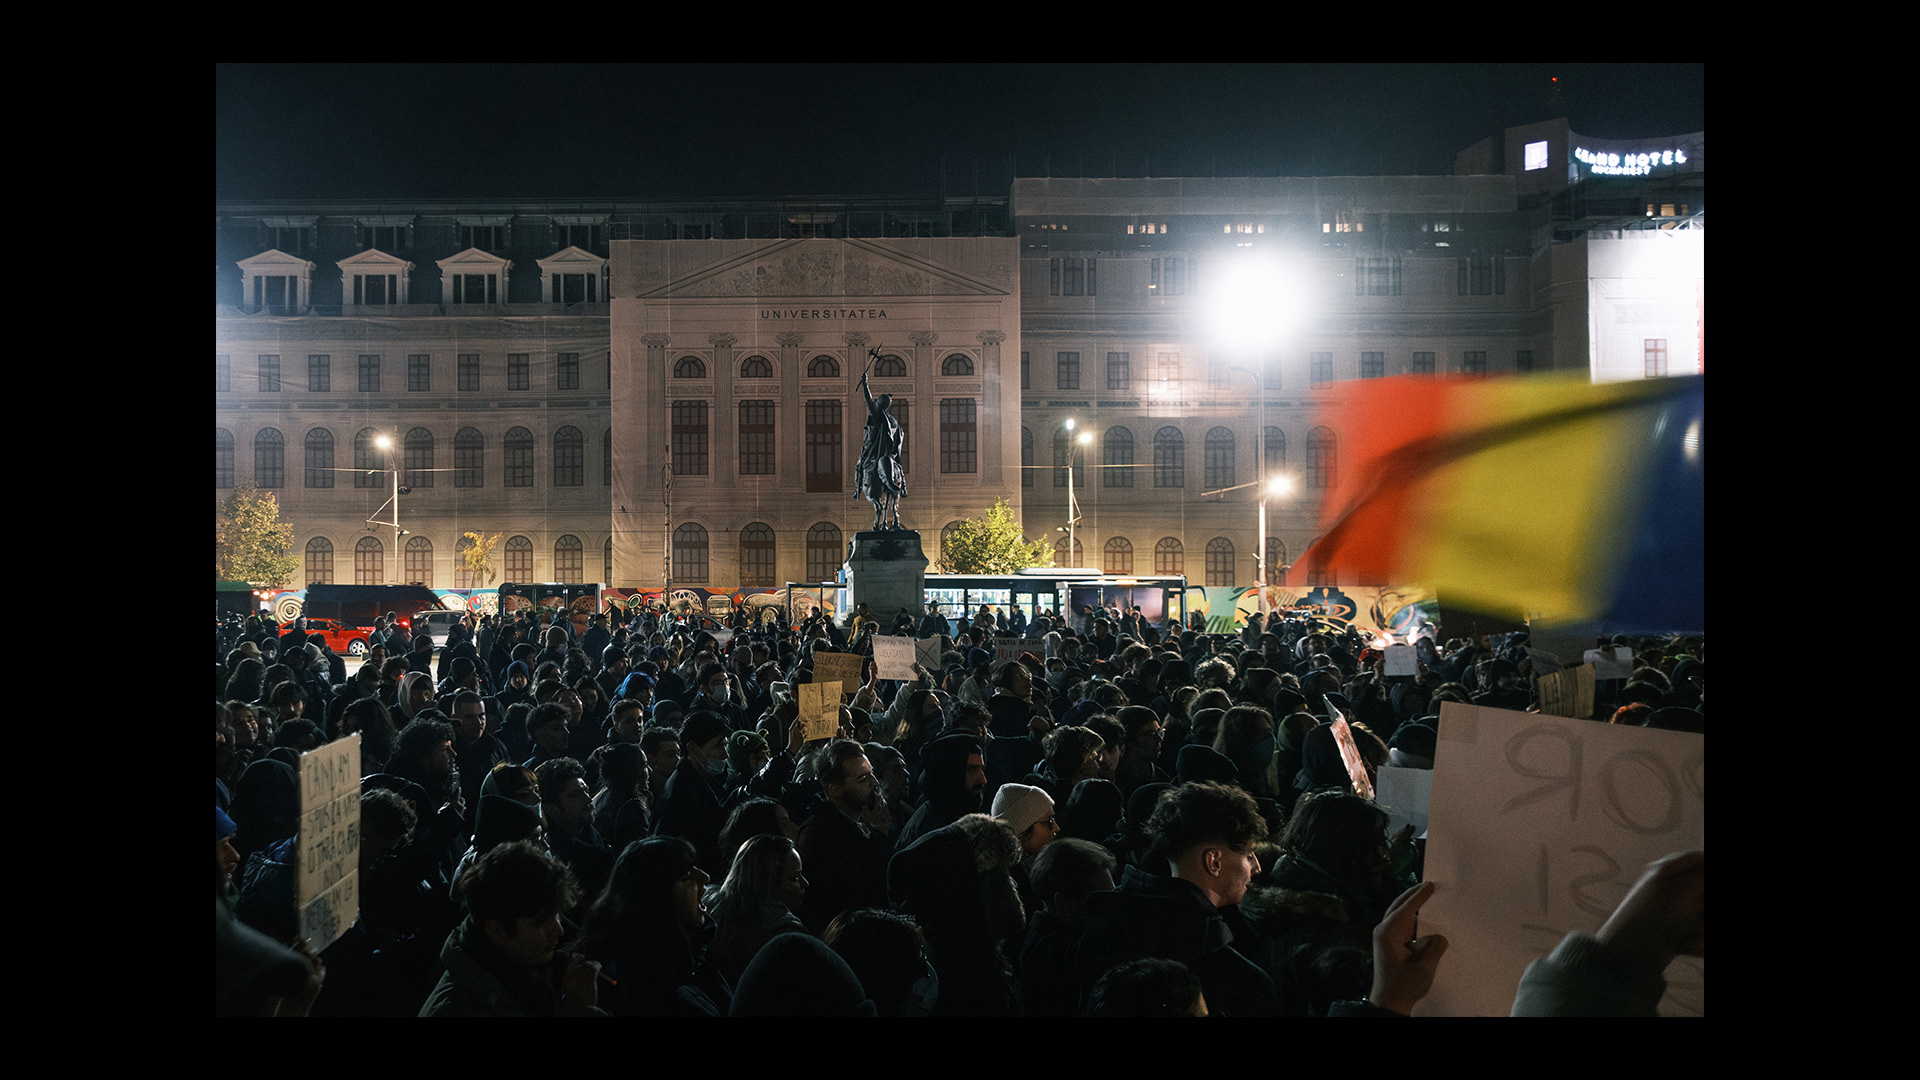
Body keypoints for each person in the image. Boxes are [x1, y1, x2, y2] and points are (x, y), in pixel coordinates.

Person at [1080, 781, 1282, 1016]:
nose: (1256, 866)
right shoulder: (1238, 978)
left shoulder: (1106, 926)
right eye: (1248, 855)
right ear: (1213, 862)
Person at [419, 840, 605, 1016]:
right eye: (541, 922)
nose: (559, 930)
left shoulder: (524, 968)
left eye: (556, 915)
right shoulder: (456, 1009)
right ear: (496, 930)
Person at [855, 365, 907, 531]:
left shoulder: (877, 416)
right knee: (897, 469)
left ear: (879, 404)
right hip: (889, 455)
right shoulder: (893, 420)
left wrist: (865, 385)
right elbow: (899, 438)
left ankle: (856, 490)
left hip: (874, 452)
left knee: (859, 465)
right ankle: (902, 486)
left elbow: (868, 401)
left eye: (877, 403)